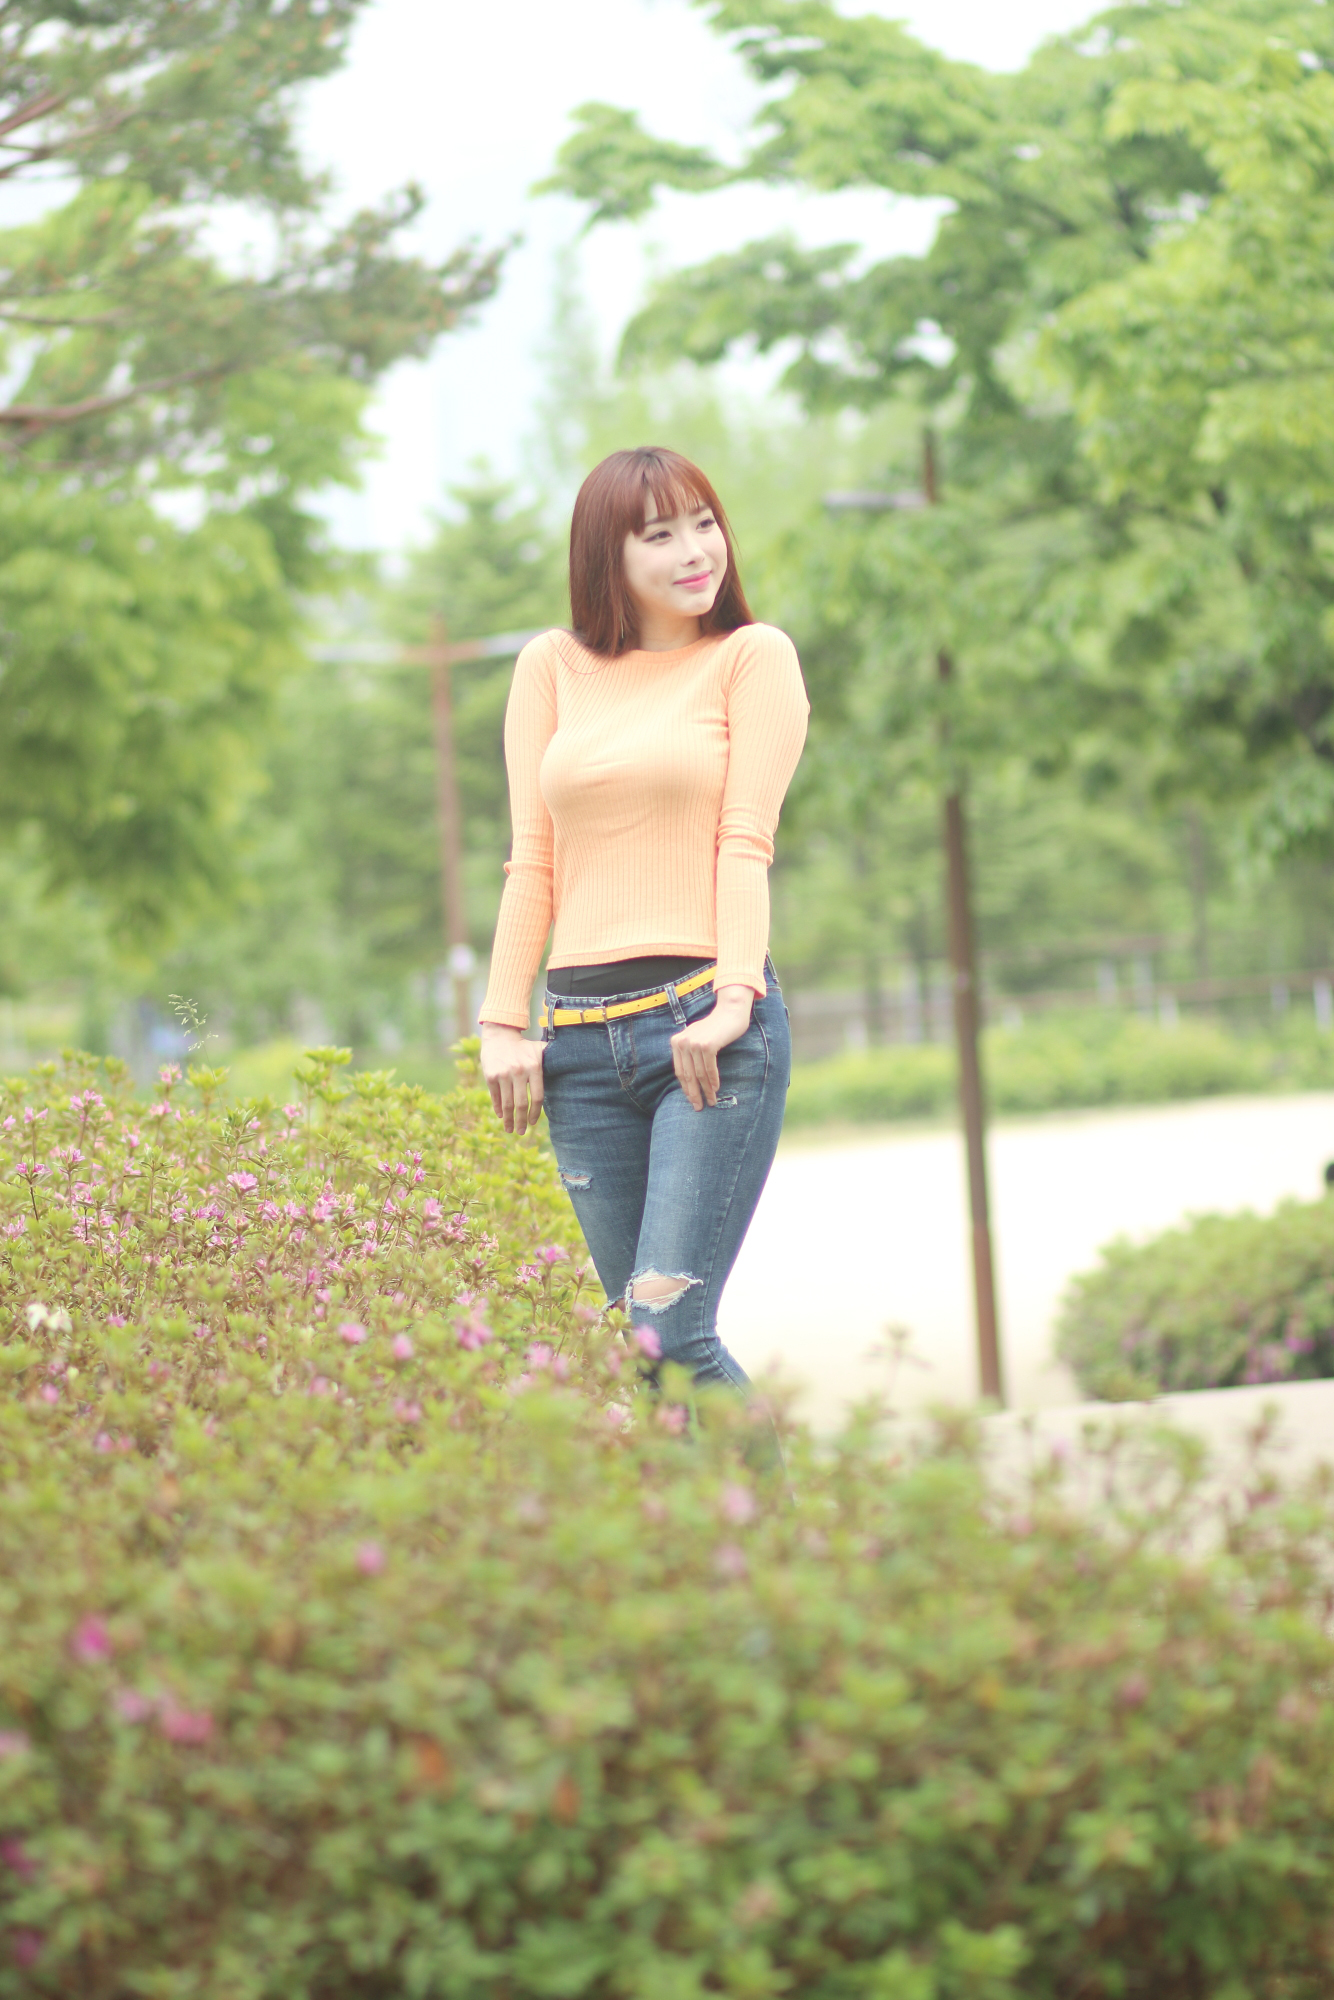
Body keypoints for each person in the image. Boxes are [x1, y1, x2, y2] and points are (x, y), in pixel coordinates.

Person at [477, 446, 808, 1391]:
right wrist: (501, 1023)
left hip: (705, 1027)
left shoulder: (751, 657)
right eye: (659, 534)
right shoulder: (551, 666)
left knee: (670, 1329)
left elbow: (744, 840)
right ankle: (699, 1500)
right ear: (607, 556)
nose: (695, 550)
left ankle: (779, 1502)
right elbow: (533, 858)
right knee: (640, 1350)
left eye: (704, 524)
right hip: (578, 1047)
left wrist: (735, 1000)